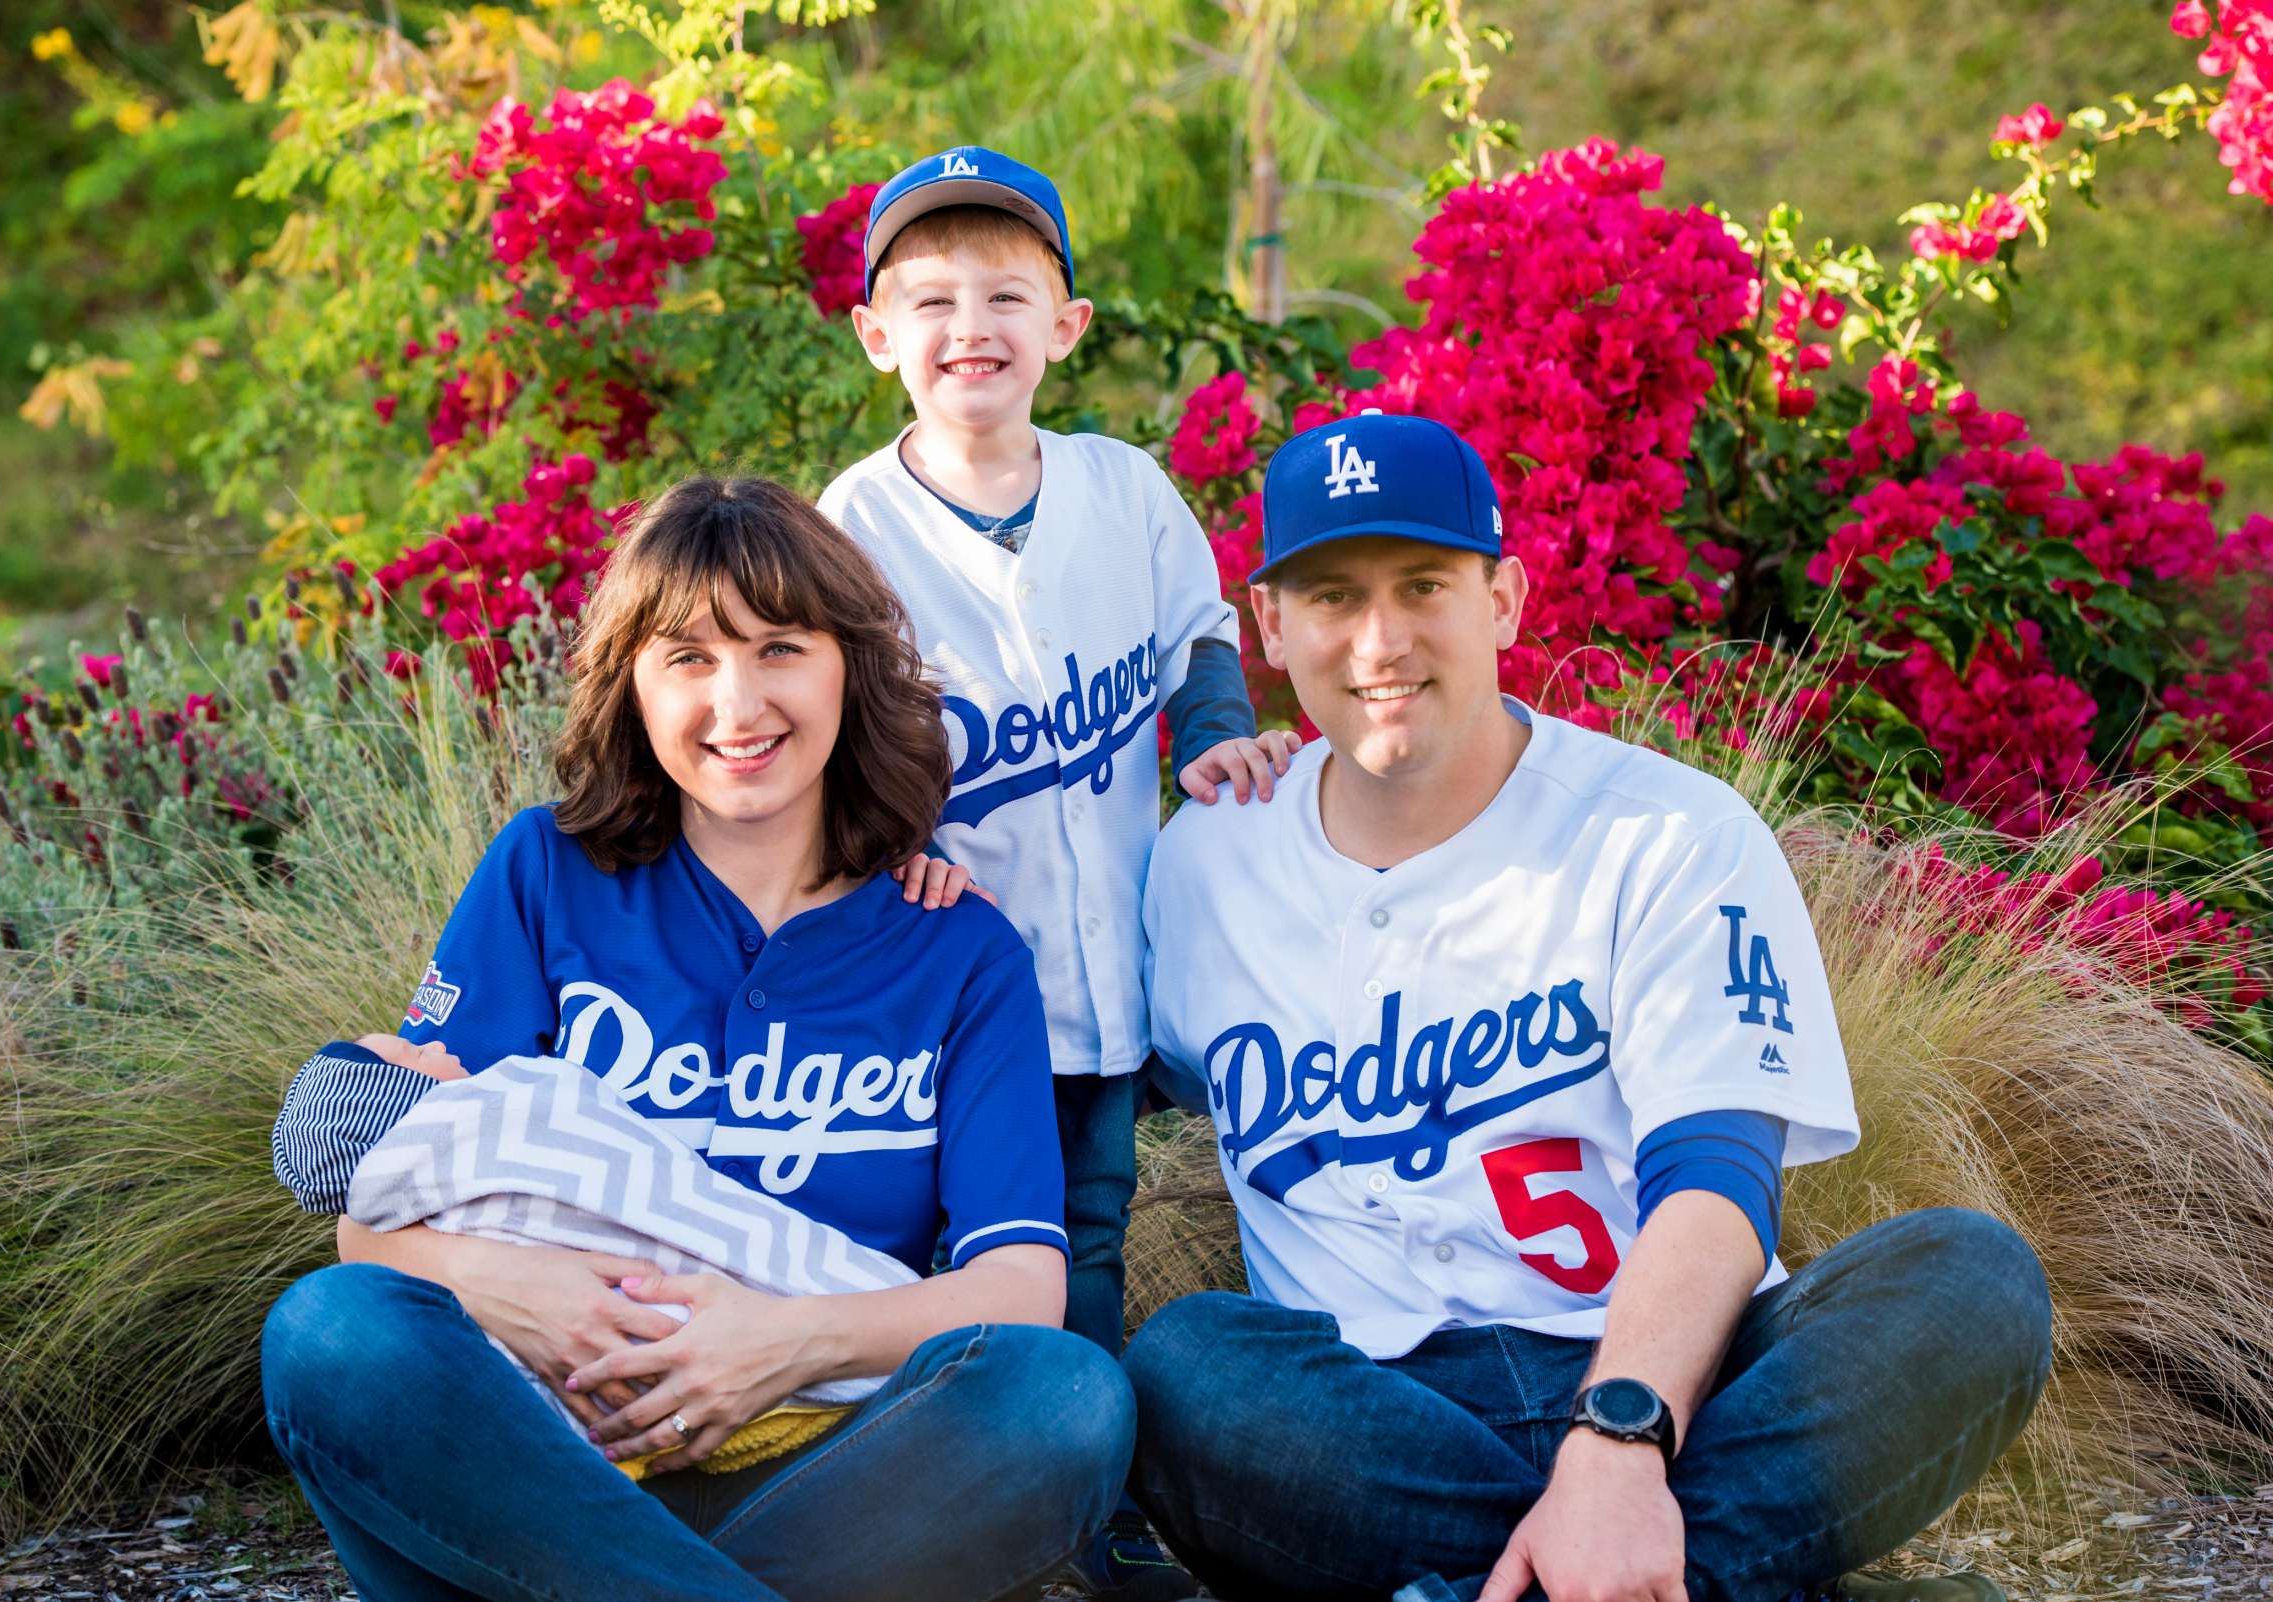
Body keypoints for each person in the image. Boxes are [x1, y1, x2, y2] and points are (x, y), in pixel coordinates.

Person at [1126, 412, 2054, 1602]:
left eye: (1423, 586)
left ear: (1504, 598)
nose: (1379, 640)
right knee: (1186, 1369)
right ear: (1269, 624)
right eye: (1331, 599)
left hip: (1676, 1381)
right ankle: (1693, 1578)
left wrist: (1618, 1445)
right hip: (1373, 1416)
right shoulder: (1203, 863)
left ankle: (1532, 1575)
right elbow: (1085, 1085)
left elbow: (1719, 1183)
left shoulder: (1667, 832)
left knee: (1969, 1280)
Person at [258, 477, 1136, 1602]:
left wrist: (785, 1342)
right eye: (688, 658)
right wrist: (511, 1289)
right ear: (631, 684)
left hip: (836, 1472)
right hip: (538, 1458)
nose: (738, 703)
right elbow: (376, 1229)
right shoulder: (545, 875)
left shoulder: (955, 948)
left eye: (780, 649)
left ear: (846, 668)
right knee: (334, 1334)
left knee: (1062, 1397)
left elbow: (1020, 1291)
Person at [817, 146, 1297, 1600]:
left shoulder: (1124, 489)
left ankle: (1073, 1511)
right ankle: (1000, 1500)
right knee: (965, 1238)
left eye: (1009, 293)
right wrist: (883, 844)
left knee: (1088, 1226)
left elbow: (1197, 632)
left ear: (1066, 328)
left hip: (1115, 960)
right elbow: (820, 723)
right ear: (878, 336)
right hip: (953, 978)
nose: (974, 322)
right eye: (935, 296)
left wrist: (1214, 740)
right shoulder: (851, 527)